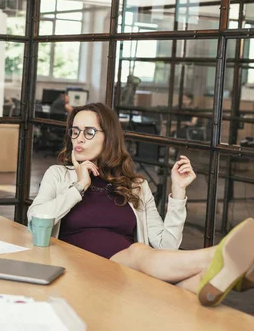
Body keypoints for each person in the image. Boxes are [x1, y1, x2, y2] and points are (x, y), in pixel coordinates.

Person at [28, 102, 254, 306]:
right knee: (137, 251)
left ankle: (220, 276)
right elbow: (36, 218)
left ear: (109, 137)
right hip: (83, 269)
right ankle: (220, 257)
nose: (79, 139)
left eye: (89, 132)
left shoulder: (135, 185)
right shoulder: (58, 175)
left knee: (183, 280)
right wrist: (78, 186)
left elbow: (166, 247)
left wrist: (178, 191)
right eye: (75, 132)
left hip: (128, 272)